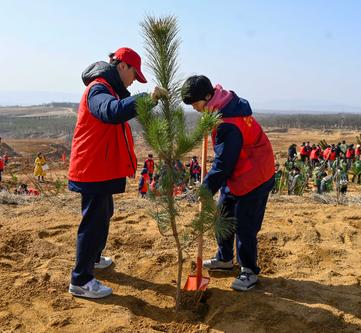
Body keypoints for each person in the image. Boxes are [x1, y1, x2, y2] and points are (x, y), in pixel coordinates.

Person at [67, 47, 164, 299]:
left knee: (104, 213)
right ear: (122, 66)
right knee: (93, 221)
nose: (134, 80)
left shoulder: (108, 89)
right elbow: (111, 112)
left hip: (101, 168)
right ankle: (81, 280)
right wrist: (147, 99)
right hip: (92, 169)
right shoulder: (98, 89)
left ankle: (94, 259)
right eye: (134, 74)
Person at [181, 75, 275, 291]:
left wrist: (204, 190)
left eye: (196, 103)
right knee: (223, 213)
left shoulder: (228, 124)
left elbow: (223, 164)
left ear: (207, 96)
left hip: (255, 175)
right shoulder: (221, 107)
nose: (194, 108)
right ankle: (224, 259)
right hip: (239, 170)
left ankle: (248, 271)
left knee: (244, 225)